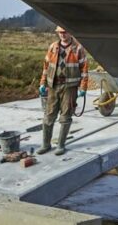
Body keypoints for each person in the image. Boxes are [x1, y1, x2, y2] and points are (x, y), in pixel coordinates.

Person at [37, 26, 89, 156]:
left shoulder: (78, 48)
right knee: (49, 115)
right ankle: (46, 144)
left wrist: (83, 87)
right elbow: (46, 66)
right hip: (53, 86)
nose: (62, 35)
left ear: (70, 32)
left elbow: (84, 69)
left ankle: (60, 145)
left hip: (70, 87)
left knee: (66, 116)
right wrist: (42, 83)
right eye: (60, 32)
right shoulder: (53, 47)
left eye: (64, 32)